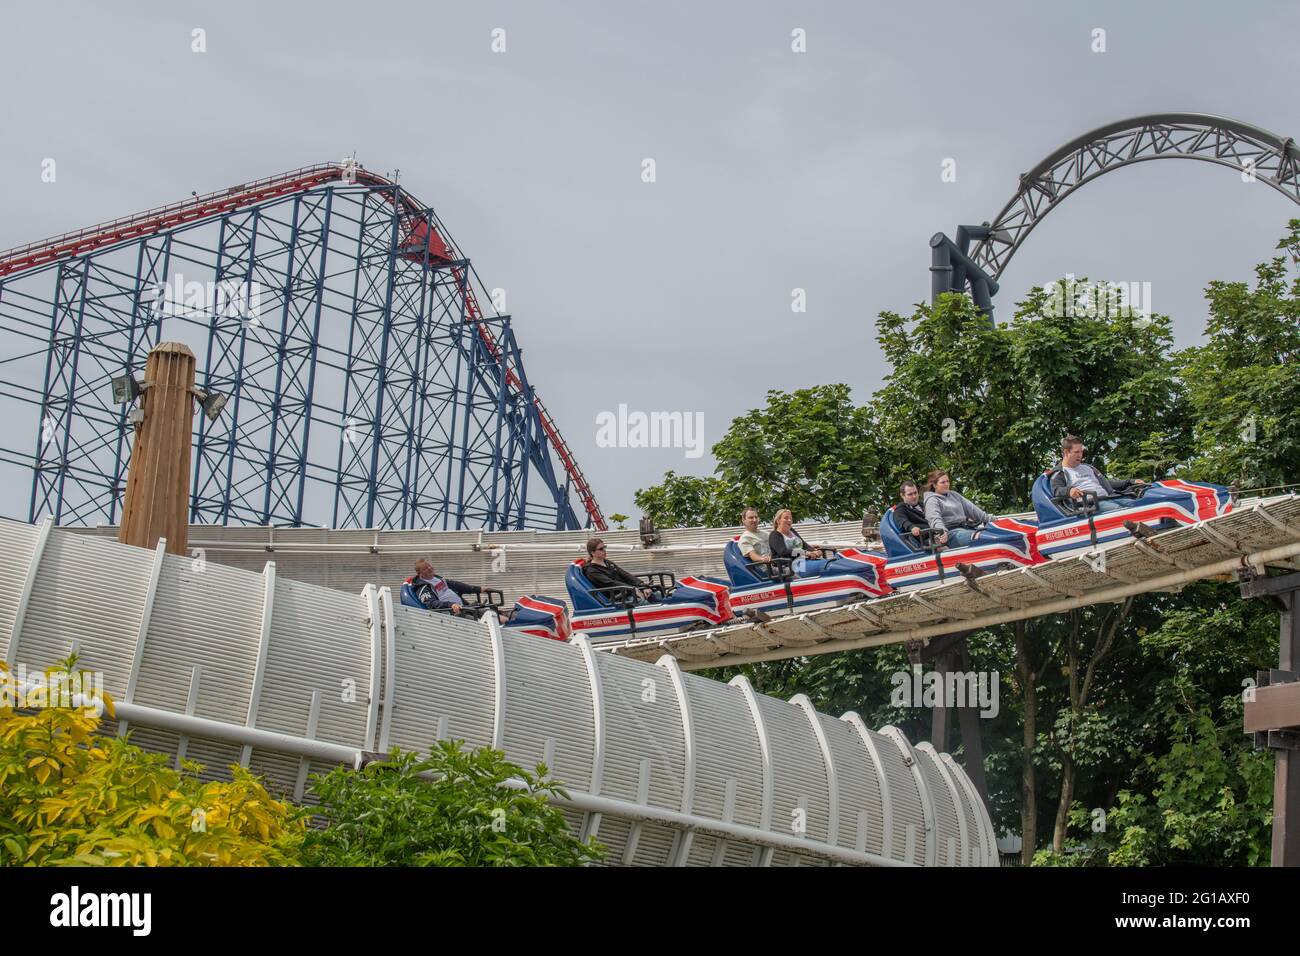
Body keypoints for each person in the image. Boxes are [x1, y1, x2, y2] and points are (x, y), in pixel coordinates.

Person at [1049, 435, 1146, 514]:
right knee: (1122, 511)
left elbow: (1106, 484)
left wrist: (1130, 482)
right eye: (1076, 452)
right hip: (1091, 505)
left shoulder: (1088, 468)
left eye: (1081, 451)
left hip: (1110, 497)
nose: (1080, 455)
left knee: (1138, 505)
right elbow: (1056, 489)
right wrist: (1069, 491)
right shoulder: (1059, 473)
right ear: (1066, 452)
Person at [407, 559, 507, 623]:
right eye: (425, 568)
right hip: (455, 614)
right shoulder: (423, 588)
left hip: (465, 607)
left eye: (429, 565)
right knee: (497, 618)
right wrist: (451, 605)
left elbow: (456, 585)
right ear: (419, 573)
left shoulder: (437, 578)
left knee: (499, 611)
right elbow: (432, 604)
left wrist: (478, 589)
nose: (429, 568)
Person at [923, 470, 990, 549]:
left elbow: (973, 509)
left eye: (947, 481)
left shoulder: (954, 495)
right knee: (981, 536)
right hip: (951, 533)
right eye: (943, 482)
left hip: (966, 528)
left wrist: (991, 519)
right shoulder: (932, 500)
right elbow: (934, 519)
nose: (946, 484)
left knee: (992, 533)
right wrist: (942, 532)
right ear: (934, 485)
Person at [582, 538, 653, 605]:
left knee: (656, 594)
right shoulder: (592, 571)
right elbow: (611, 583)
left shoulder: (607, 562)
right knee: (645, 603)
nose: (604, 550)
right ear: (593, 553)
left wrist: (643, 585)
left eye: (604, 547)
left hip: (627, 591)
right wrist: (633, 589)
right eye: (601, 549)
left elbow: (625, 575)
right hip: (619, 598)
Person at [768, 509, 826, 575]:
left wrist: (814, 551)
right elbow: (783, 552)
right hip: (790, 565)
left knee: (826, 563)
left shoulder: (792, 531)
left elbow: (804, 545)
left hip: (803, 561)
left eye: (790, 518)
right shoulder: (775, 535)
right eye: (786, 518)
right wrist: (804, 552)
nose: (789, 520)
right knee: (824, 567)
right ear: (778, 521)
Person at [737, 506, 772, 574]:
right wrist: (763, 559)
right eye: (751, 518)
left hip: (779, 562)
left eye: (756, 517)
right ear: (743, 520)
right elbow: (753, 555)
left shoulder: (766, 533)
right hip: (767, 569)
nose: (755, 520)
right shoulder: (745, 538)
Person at [895, 480, 928, 548]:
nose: (914, 496)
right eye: (910, 494)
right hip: (927, 540)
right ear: (902, 495)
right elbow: (902, 521)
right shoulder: (901, 509)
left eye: (915, 493)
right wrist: (912, 527)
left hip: (941, 531)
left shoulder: (923, 504)